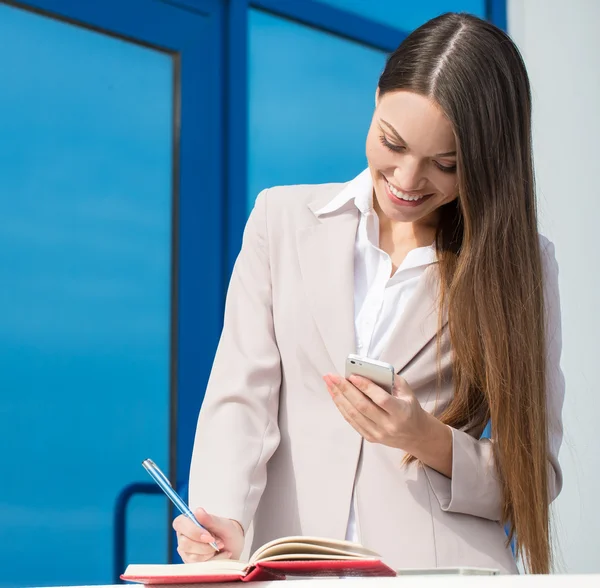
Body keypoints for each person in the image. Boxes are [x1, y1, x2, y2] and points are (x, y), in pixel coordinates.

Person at [173, 12, 565, 575]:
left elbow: (534, 478)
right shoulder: (280, 220)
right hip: (288, 568)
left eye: (445, 164)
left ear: (486, 162)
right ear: (377, 97)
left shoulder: (520, 265)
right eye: (392, 142)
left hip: (441, 575)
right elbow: (241, 395)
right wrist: (224, 519)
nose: (407, 180)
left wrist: (425, 438)